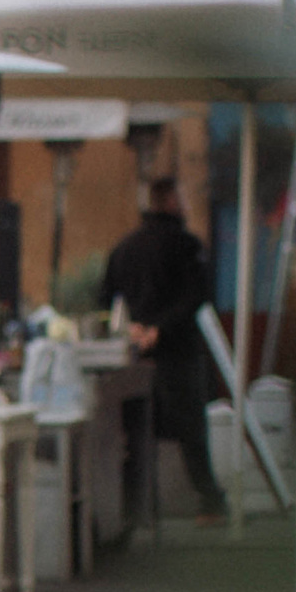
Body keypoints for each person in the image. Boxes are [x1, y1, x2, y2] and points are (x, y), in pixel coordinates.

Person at [100, 175, 228, 522]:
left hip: (134, 357)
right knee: (191, 431)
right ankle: (209, 501)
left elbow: (106, 297)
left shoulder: (124, 248)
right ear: (171, 201)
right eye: (181, 197)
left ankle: (132, 510)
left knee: (134, 435)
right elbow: (198, 296)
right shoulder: (186, 246)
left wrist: (133, 328)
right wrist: (162, 328)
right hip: (179, 352)